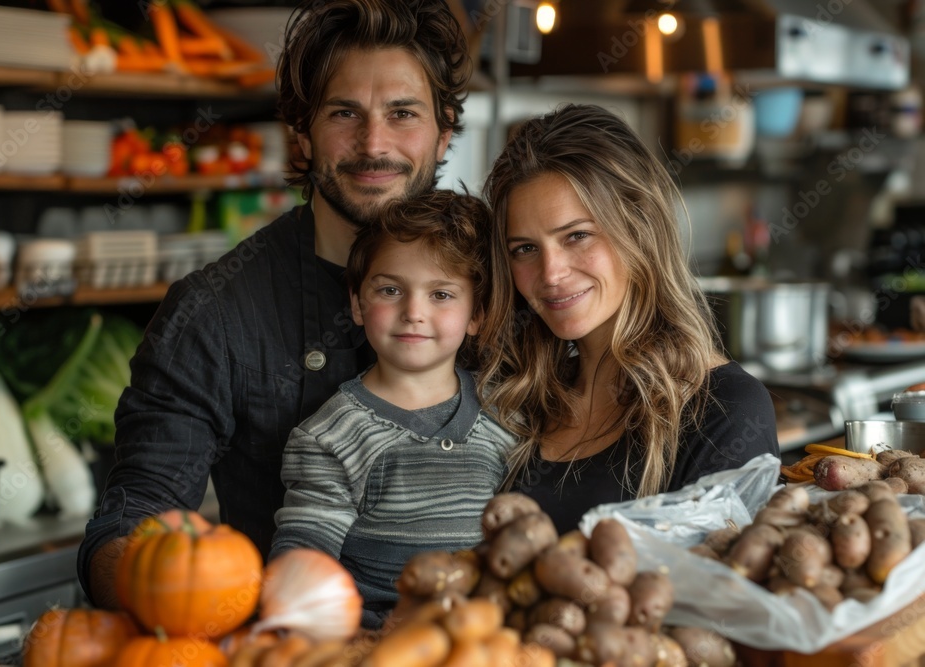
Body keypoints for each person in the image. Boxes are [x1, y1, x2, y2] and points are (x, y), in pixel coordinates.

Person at [77, 0, 471, 608]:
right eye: (345, 112)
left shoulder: (502, 282)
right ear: (302, 133)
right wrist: (168, 586)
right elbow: (135, 513)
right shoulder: (215, 310)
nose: (374, 143)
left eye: (403, 114)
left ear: (443, 130)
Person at [478, 104, 780, 533]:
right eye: (525, 249)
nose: (551, 274)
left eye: (576, 236)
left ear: (639, 228)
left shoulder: (724, 411)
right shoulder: (517, 395)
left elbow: (717, 591)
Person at [270, 190, 514, 628]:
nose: (413, 312)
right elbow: (305, 554)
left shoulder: (503, 413)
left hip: (483, 638)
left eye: (441, 294)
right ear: (358, 304)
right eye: (390, 289)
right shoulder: (330, 436)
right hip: (376, 639)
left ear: (476, 314)